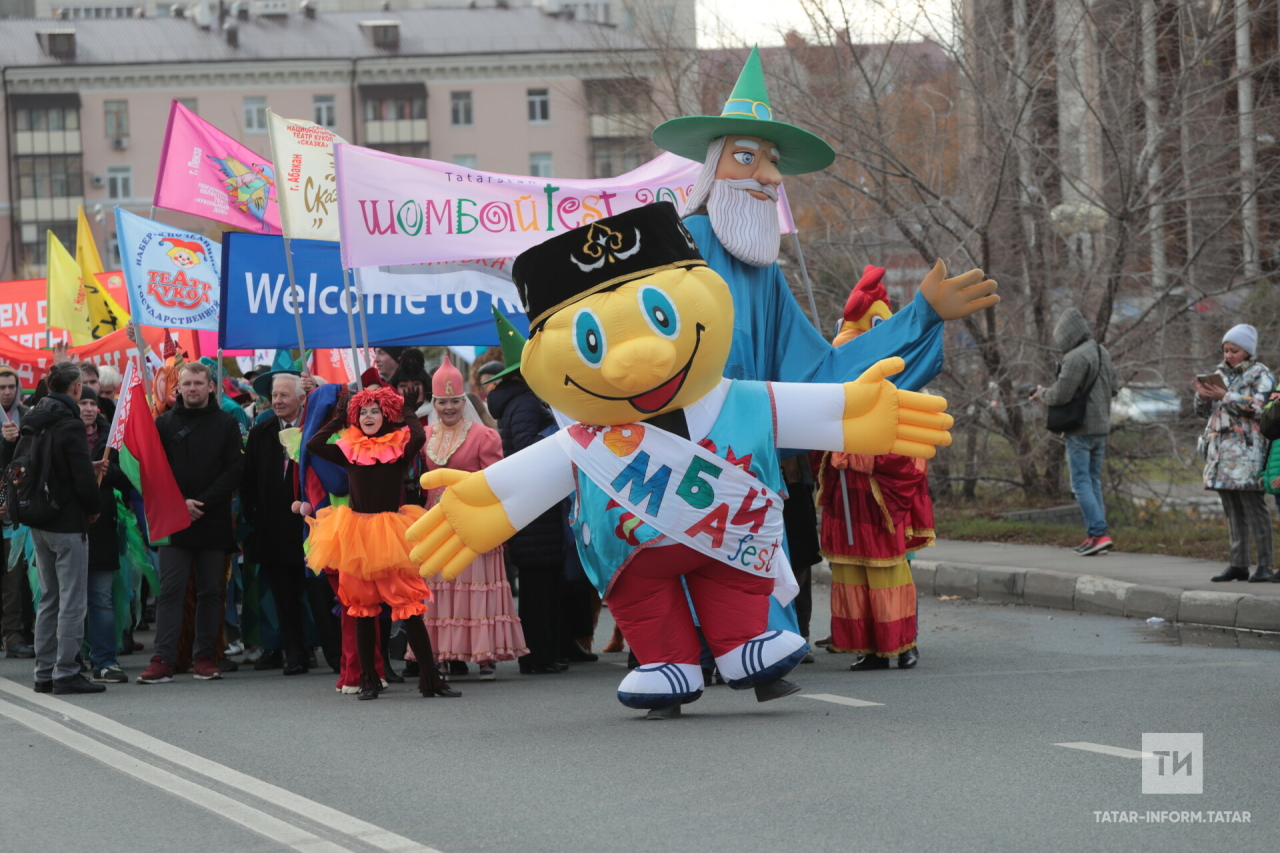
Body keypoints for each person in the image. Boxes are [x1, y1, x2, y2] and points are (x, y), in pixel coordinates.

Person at [408, 203, 952, 720]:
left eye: (660, 319)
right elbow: (534, 477)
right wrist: (485, 503)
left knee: (733, 588)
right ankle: (667, 664)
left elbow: (818, 407)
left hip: (729, 546)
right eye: (594, 343)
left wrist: (863, 412)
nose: (634, 361)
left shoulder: (739, 399)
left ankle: (743, 645)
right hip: (634, 562)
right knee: (648, 605)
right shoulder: (584, 438)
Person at [304, 385, 460, 700]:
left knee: (409, 607)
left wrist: (408, 410)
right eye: (363, 412)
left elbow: (417, 438)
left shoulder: (398, 446)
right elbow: (313, 443)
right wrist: (338, 418)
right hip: (357, 533)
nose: (369, 416)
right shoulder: (349, 448)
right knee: (362, 610)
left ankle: (430, 679)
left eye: (375, 410)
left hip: (392, 532)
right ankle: (368, 680)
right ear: (356, 417)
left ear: (385, 414)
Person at [814, 267, 935, 670]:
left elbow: (907, 451)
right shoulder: (835, 384)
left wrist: (858, 455)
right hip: (844, 496)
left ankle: (901, 643)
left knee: (886, 575)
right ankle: (868, 645)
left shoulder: (901, 384)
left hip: (878, 500)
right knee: (850, 574)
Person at [414, 356, 526, 680]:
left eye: (455, 401)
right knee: (443, 587)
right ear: (434, 403)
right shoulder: (426, 436)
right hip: (436, 521)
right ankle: (445, 654)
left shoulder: (484, 436)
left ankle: (484, 656)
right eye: (443, 402)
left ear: (464, 401)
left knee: (476, 587)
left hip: (473, 520)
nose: (449, 408)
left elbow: (496, 482)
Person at [137, 362, 245, 684]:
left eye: (199, 383)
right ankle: (163, 659)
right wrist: (180, 504)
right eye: (187, 383)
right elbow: (152, 471)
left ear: (211, 386)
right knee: (171, 591)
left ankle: (205, 657)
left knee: (211, 591)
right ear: (178, 387)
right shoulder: (163, 424)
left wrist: (203, 502)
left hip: (212, 519)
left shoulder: (226, 423)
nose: (193, 388)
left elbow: (235, 470)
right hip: (174, 519)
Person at [0, 362, 103, 694]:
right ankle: (66, 672)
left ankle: (43, 673)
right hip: (67, 522)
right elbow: (81, 478)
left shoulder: (32, 418)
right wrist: (93, 509)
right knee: (73, 600)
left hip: (37, 521)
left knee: (48, 599)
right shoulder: (70, 424)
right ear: (75, 389)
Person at [485, 344, 566, 675]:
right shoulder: (527, 403)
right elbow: (527, 449)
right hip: (536, 503)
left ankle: (545, 652)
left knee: (541, 584)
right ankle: (537, 656)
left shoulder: (520, 402)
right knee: (538, 586)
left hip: (532, 503)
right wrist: (557, 440)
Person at [241, 373, 327, 675]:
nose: (277, 401)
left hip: (311, 528)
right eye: (274, 396)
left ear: (301, 399)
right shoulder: (262, 431)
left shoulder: (314, 429)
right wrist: (254, 517)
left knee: (319, 595)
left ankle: (333, 653)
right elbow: (248, 479)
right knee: (284, 597)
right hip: (273, 530)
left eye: (284, 395)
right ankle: (295, 655)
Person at [1192, 325, 1276, 583]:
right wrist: (1203, 396)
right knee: (1231, 508)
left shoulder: (1261, 375)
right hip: (1221, 454)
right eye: (1226, 350)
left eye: (1234, 350)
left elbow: (1263, 407)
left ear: (1247, 351)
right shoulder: (1218, 373)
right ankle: (1238, 564)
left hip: (1247, 453)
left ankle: (1265, 565)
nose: (1228, 355)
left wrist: (1226, 396)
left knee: (1254, 508)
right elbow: (1205, 413)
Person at [1033, 307, 1117, 556]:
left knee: (1080, 483)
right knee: (1092, 481)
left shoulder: (1076, 357)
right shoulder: (1103, 352)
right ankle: (1096, 536)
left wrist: (1040, 393)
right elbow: (1115, 388)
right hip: (1101, 427)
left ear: (1067, 336)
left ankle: (1099, 533)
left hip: (1080, 429)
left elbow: (1060, 394)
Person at [79, 387, 132, 683]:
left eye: (93, 403)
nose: (88, 408)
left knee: (101, 598)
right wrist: (89, 469)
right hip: (69, 526)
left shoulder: (113, 440)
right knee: (69, 600)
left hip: (102, 527)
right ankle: (70, 659)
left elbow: (127, 479)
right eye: (82, 402)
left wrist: (108, 472)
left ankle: (104, 661)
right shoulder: (63, 435)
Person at [0, 365, 35, 659]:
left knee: (13, 576)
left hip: (15, 510)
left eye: (11, 386)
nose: (7, 392)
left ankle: (13, 635)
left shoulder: (28, 415)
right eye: (1, 387)